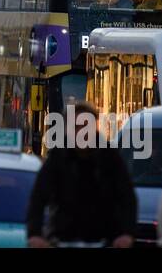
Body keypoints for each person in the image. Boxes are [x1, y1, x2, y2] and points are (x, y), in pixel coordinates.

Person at [26, 101, 136, 248]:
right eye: (76, 127)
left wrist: (126, 233)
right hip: (63, 238)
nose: (81, 132)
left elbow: (127, 197)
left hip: (103, 239)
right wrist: (35, 235)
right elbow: (38, 198)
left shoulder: (110, 157)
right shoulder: (58, 157)